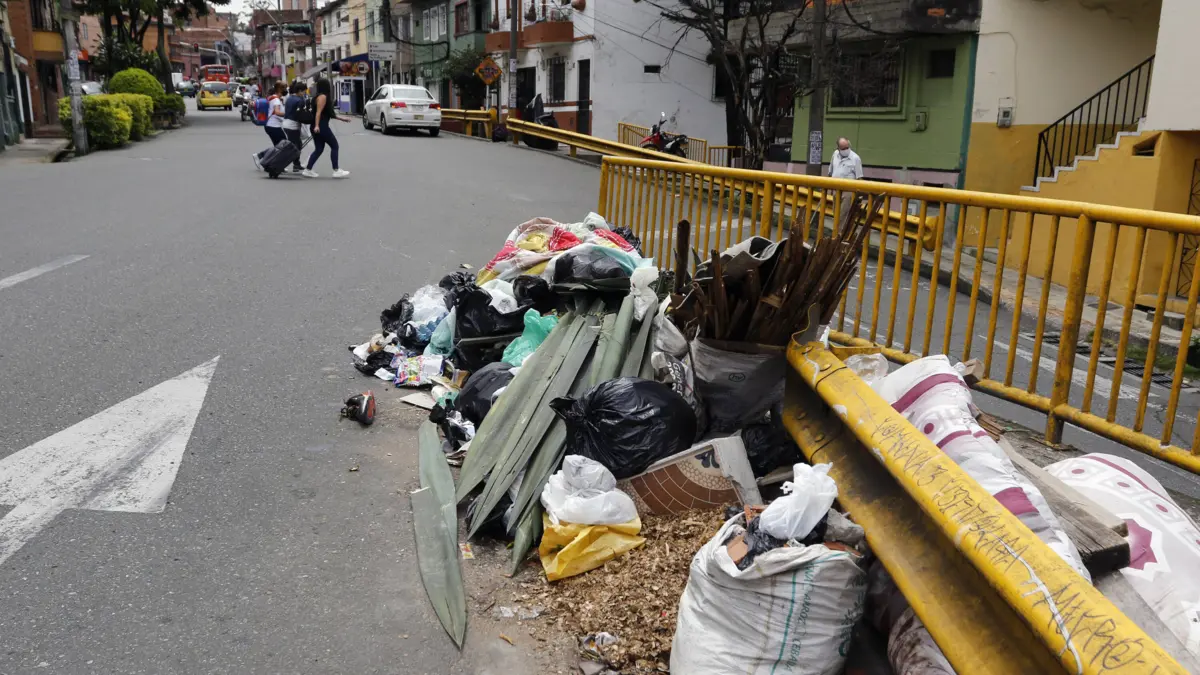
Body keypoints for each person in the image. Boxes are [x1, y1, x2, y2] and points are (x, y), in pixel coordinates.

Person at [303, 77, 350, 179]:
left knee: (319, 149)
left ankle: (308, 170)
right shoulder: (323, 97)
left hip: (317, 126)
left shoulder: (317, 97)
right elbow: (318, 113)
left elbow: (328, 114)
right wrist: (317, 126)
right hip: (321, 126)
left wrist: (342, 119)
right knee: (334, 146)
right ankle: (336, 170)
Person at [252, 82, 289, 171]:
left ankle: (273, 164)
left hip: (270, 125)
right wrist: (288, 114)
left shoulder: (272, 98)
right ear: (279, 89)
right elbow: (277, 112)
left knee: (278, 147)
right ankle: (260, 156)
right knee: (284, 146)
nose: (286, 90)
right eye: (284, 88)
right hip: (273, 126)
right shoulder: (276, 100)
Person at [280, 81, 307, 174]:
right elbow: (300, 114)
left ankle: (296, 164)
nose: (304, 93)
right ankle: (283, 164)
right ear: (299, 91)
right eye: (304, 91)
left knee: (297, 144)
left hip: (286, 123)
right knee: (294, 146)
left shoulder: (289, 98)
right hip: (293, 125)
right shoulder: (300, 100)